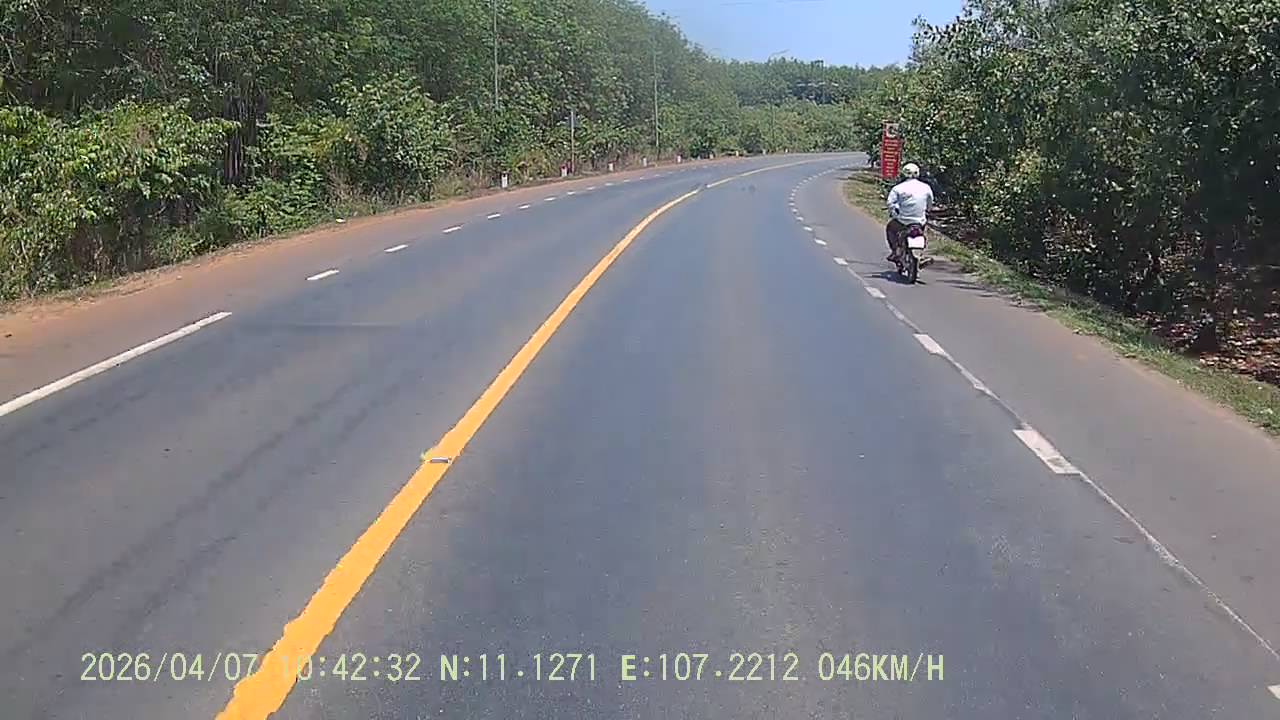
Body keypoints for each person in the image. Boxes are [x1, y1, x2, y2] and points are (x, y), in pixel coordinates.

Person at [885, 162, 934, 262]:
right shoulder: (926, 187)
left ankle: (895, 251)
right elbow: (930, 203)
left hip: (903, 221)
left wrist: (894, 213)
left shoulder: (898, 188)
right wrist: (927, 211)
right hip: (920, 220)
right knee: (922, 231)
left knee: (890, 228)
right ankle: (922, 254)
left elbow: (890, 203)